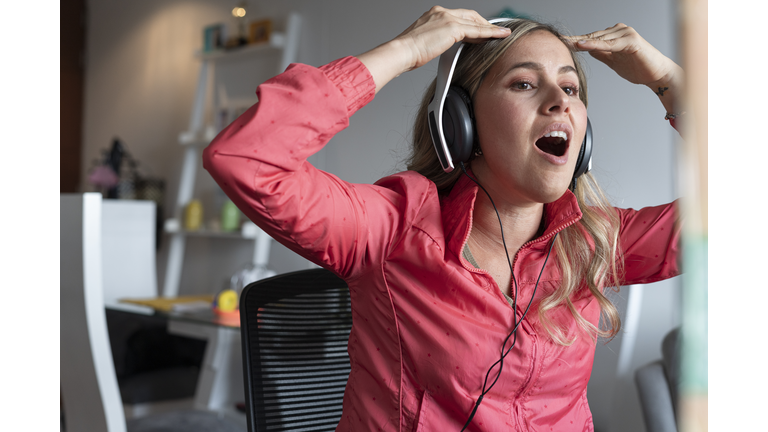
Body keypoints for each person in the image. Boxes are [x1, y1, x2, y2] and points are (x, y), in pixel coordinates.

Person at [204, 6, 682, 431]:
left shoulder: (592, 240)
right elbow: (246, 158)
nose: (560, 101)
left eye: (570, 87)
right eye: (524, 83)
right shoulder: (393, 228)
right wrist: (407, 49)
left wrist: (669, 81)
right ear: (460, 121)